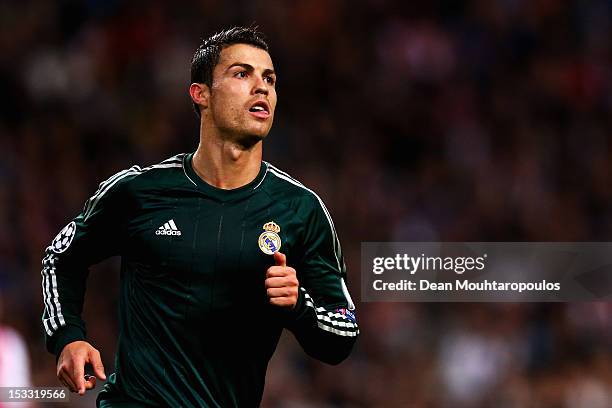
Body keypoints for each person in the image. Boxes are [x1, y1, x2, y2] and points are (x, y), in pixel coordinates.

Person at [41, 26, 358, 407]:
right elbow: (61, 257)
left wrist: (299, 306)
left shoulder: (300, 210)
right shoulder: (139, 192)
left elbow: (343, 333)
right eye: (242, 74)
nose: (262, 88)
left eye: (269, 79)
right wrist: (68, 336)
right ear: (201, 94)